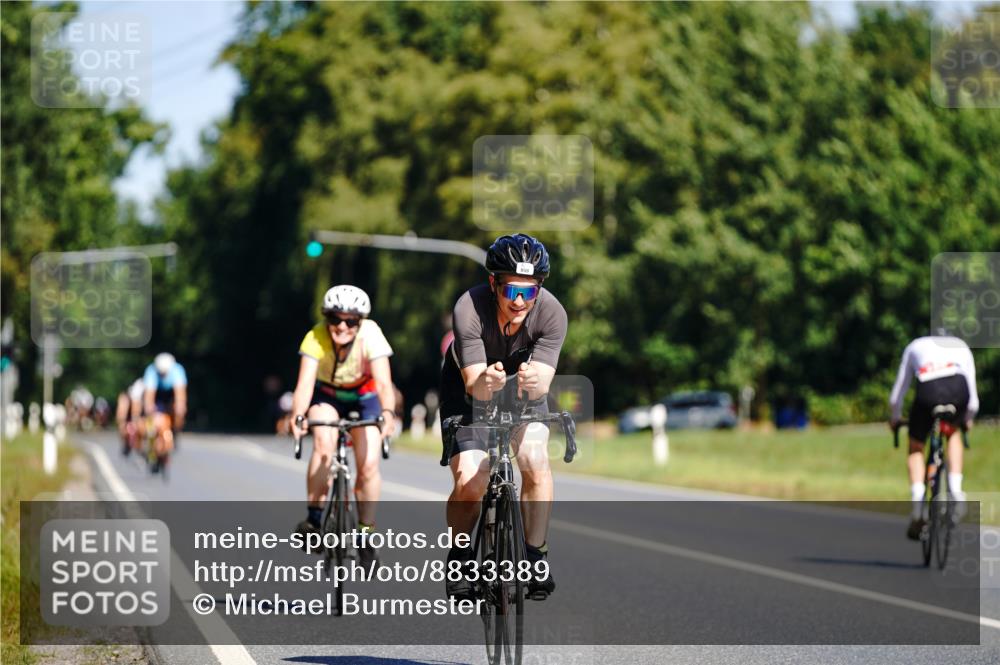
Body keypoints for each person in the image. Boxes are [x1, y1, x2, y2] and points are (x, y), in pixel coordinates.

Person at [439, 233, 567, 601]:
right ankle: (462, 557)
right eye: (512, 291)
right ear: (494, 283)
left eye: (530, 292)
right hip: (469, 390)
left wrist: (533, 381)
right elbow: (476, 386)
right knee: (471, 480)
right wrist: (487, 380)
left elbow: (542, 382)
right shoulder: (469, 308)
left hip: (521, 392)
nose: (520, 302)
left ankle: (535, 555)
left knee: (534, 459)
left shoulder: (552, 313)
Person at [289, 285, 396, 567]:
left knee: (369, 464)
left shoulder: (371, 333)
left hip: (365, 396)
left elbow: (384, 382)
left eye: (350, 321)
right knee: (324, 444)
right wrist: (298, 415)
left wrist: (388, 412)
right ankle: (314, 518)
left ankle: (366, 533)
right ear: (327, 318)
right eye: (335, 318)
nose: (342, 326)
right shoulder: (315, 336)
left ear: (360, 322)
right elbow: (304, 385)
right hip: (329, 396)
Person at [888, 333, 979, 540]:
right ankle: (956, 490)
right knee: (953, 432)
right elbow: (973, 401)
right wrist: (968, 419)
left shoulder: (914, 346)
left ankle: (918, 506)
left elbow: (897, 395)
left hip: (928, 389)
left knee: (916, 446)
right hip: (958, 387)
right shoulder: (961, 345)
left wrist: (895, 418)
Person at [143, 353, 188, 473]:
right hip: (157, 397)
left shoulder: (177, 371)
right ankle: (151, 445)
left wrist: (180, 407)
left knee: (179, 411)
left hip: (171, 396)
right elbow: (149, 395)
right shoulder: (151, 371)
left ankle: (175, 431)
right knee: (153, 422)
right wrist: (149, 409)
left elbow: (180, 394)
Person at [116, 378, 145, 456]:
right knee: (123, 425)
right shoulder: (125, 398)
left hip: (140, 412)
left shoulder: (145, 389)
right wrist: (122, 424)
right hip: (129, 414)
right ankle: (126, 442)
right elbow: (121, 413)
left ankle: (140, 444)